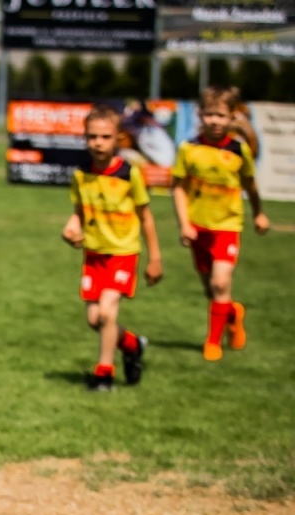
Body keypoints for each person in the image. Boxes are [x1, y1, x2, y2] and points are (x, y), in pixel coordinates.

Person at [60, 104, 161, 391]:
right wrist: (71, 228)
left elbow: (146, 218)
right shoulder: (82, 174)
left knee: (106, 313)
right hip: (94, 254)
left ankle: (104, 373)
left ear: (118, 138)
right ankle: (132, 344)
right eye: (92, 137)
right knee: (95, 319)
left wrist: (155, 258)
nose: (98, 143)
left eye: (105, 137)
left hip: (123, 253)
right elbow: (79, 211)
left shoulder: (130, 174)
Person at [170, 86, 272, 361]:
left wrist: (258, 213)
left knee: (220, 283)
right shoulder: (189, 149)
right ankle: (233, 313)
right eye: (210, 114)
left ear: (232, 118)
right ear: (200, 115)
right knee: (211, 289)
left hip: (227, 227)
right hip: (198, 228)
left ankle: (212, 343)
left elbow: (250, 185)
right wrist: (184, 224)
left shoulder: (239, 150)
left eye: (222, 115)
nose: (215, 121)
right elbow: (178, 188)